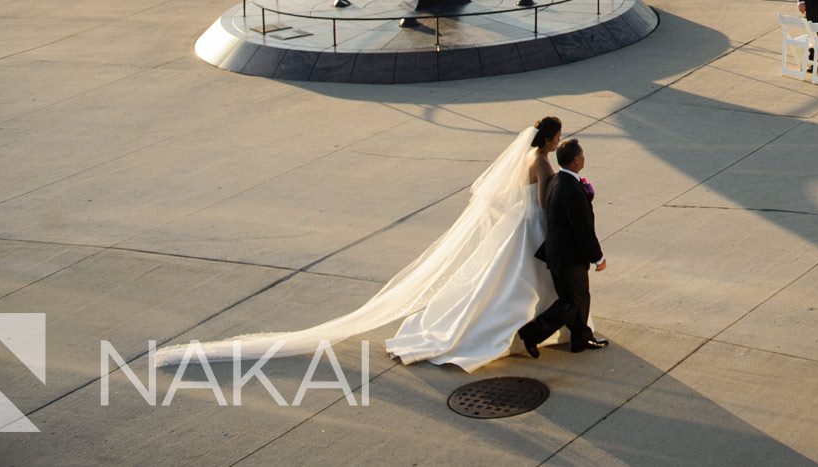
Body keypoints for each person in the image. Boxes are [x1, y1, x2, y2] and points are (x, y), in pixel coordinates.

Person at [157, 117, 587, 371]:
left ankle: (534, 328)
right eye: (557, 136)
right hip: (532, 225)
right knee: (520, 279)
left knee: (506, 278)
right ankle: (514, 332)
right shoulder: (542, 163)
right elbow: (542, 202)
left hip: (518, 223)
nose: (557, 141)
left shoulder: (532, 157)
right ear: (549, 141)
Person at [517, 139, 607, 358]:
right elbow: (583, 230)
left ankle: (580, 339)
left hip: (557, 252)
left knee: (579, 298)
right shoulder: (573, 191)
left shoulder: (557, 180)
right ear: (576, 160)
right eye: (582, 155)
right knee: (571, 302)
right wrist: (598, 258)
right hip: (569, 257)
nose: (584, 157)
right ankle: (531, 333)